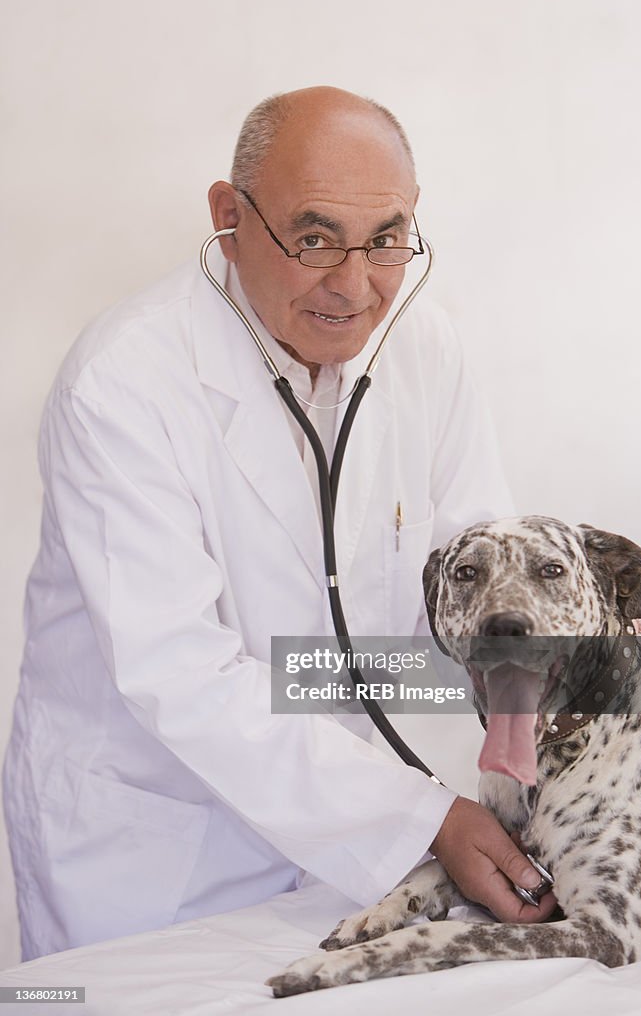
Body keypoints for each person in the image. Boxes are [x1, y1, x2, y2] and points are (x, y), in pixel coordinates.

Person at [3, 86, 555, 961]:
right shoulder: (124, 383)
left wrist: (568, 661)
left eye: (386, 240)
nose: (353, 283)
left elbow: (468, 592)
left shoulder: (423, 349)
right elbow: (183, 677)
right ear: (228, 215)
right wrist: (414, 815)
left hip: (352, 835)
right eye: (313, 237)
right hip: (160, 850)